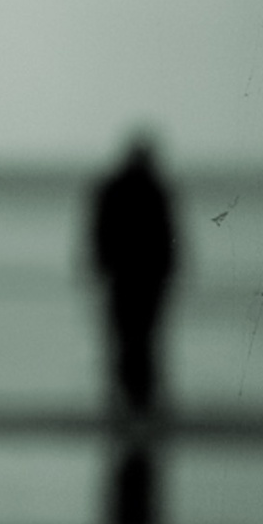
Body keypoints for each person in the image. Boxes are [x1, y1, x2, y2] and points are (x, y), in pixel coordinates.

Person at [90, 136, 178, 417]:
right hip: (144, 277)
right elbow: (168, 236)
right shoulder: (155, 189)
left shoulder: (115, 188)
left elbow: (99, 232)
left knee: (125, 340)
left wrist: (99, 266)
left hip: (125, 276)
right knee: (144, 340)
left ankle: (126, 401)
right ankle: (140, 401)